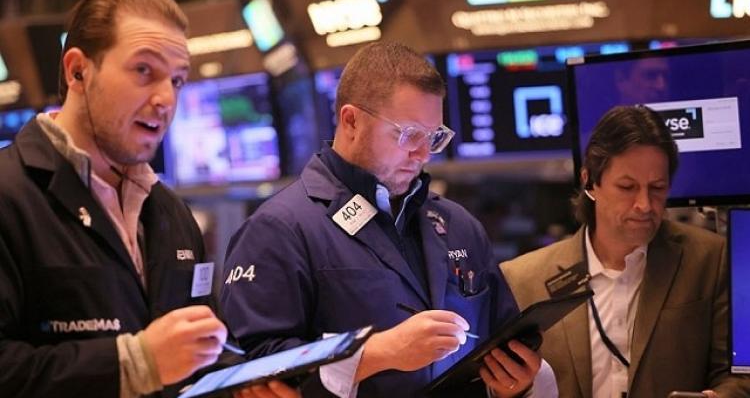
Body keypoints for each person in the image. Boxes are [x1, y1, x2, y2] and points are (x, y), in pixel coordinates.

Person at [221, 42, 555, 397]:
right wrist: (375, 354)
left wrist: (514, 386)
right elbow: (251, 371)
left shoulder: (459, 224)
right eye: (409, 134)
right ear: (351, 121)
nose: (423, 154)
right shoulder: (279, 229)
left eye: (434, 137)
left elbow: (498, 343)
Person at [0, 0, 297, 398]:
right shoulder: (10, 193)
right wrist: (136, 364)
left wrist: (240, 385)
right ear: (77, 71)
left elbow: (204, 349)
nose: (166, 99)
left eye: (177, 80)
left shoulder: (171, 212)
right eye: (144, 70)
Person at [500, 105, 750, 397]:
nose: (644, 204)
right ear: (590, 182)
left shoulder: (711, 259)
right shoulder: (523, 280)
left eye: (657, 188)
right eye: (627, 187)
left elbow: (738, 375)